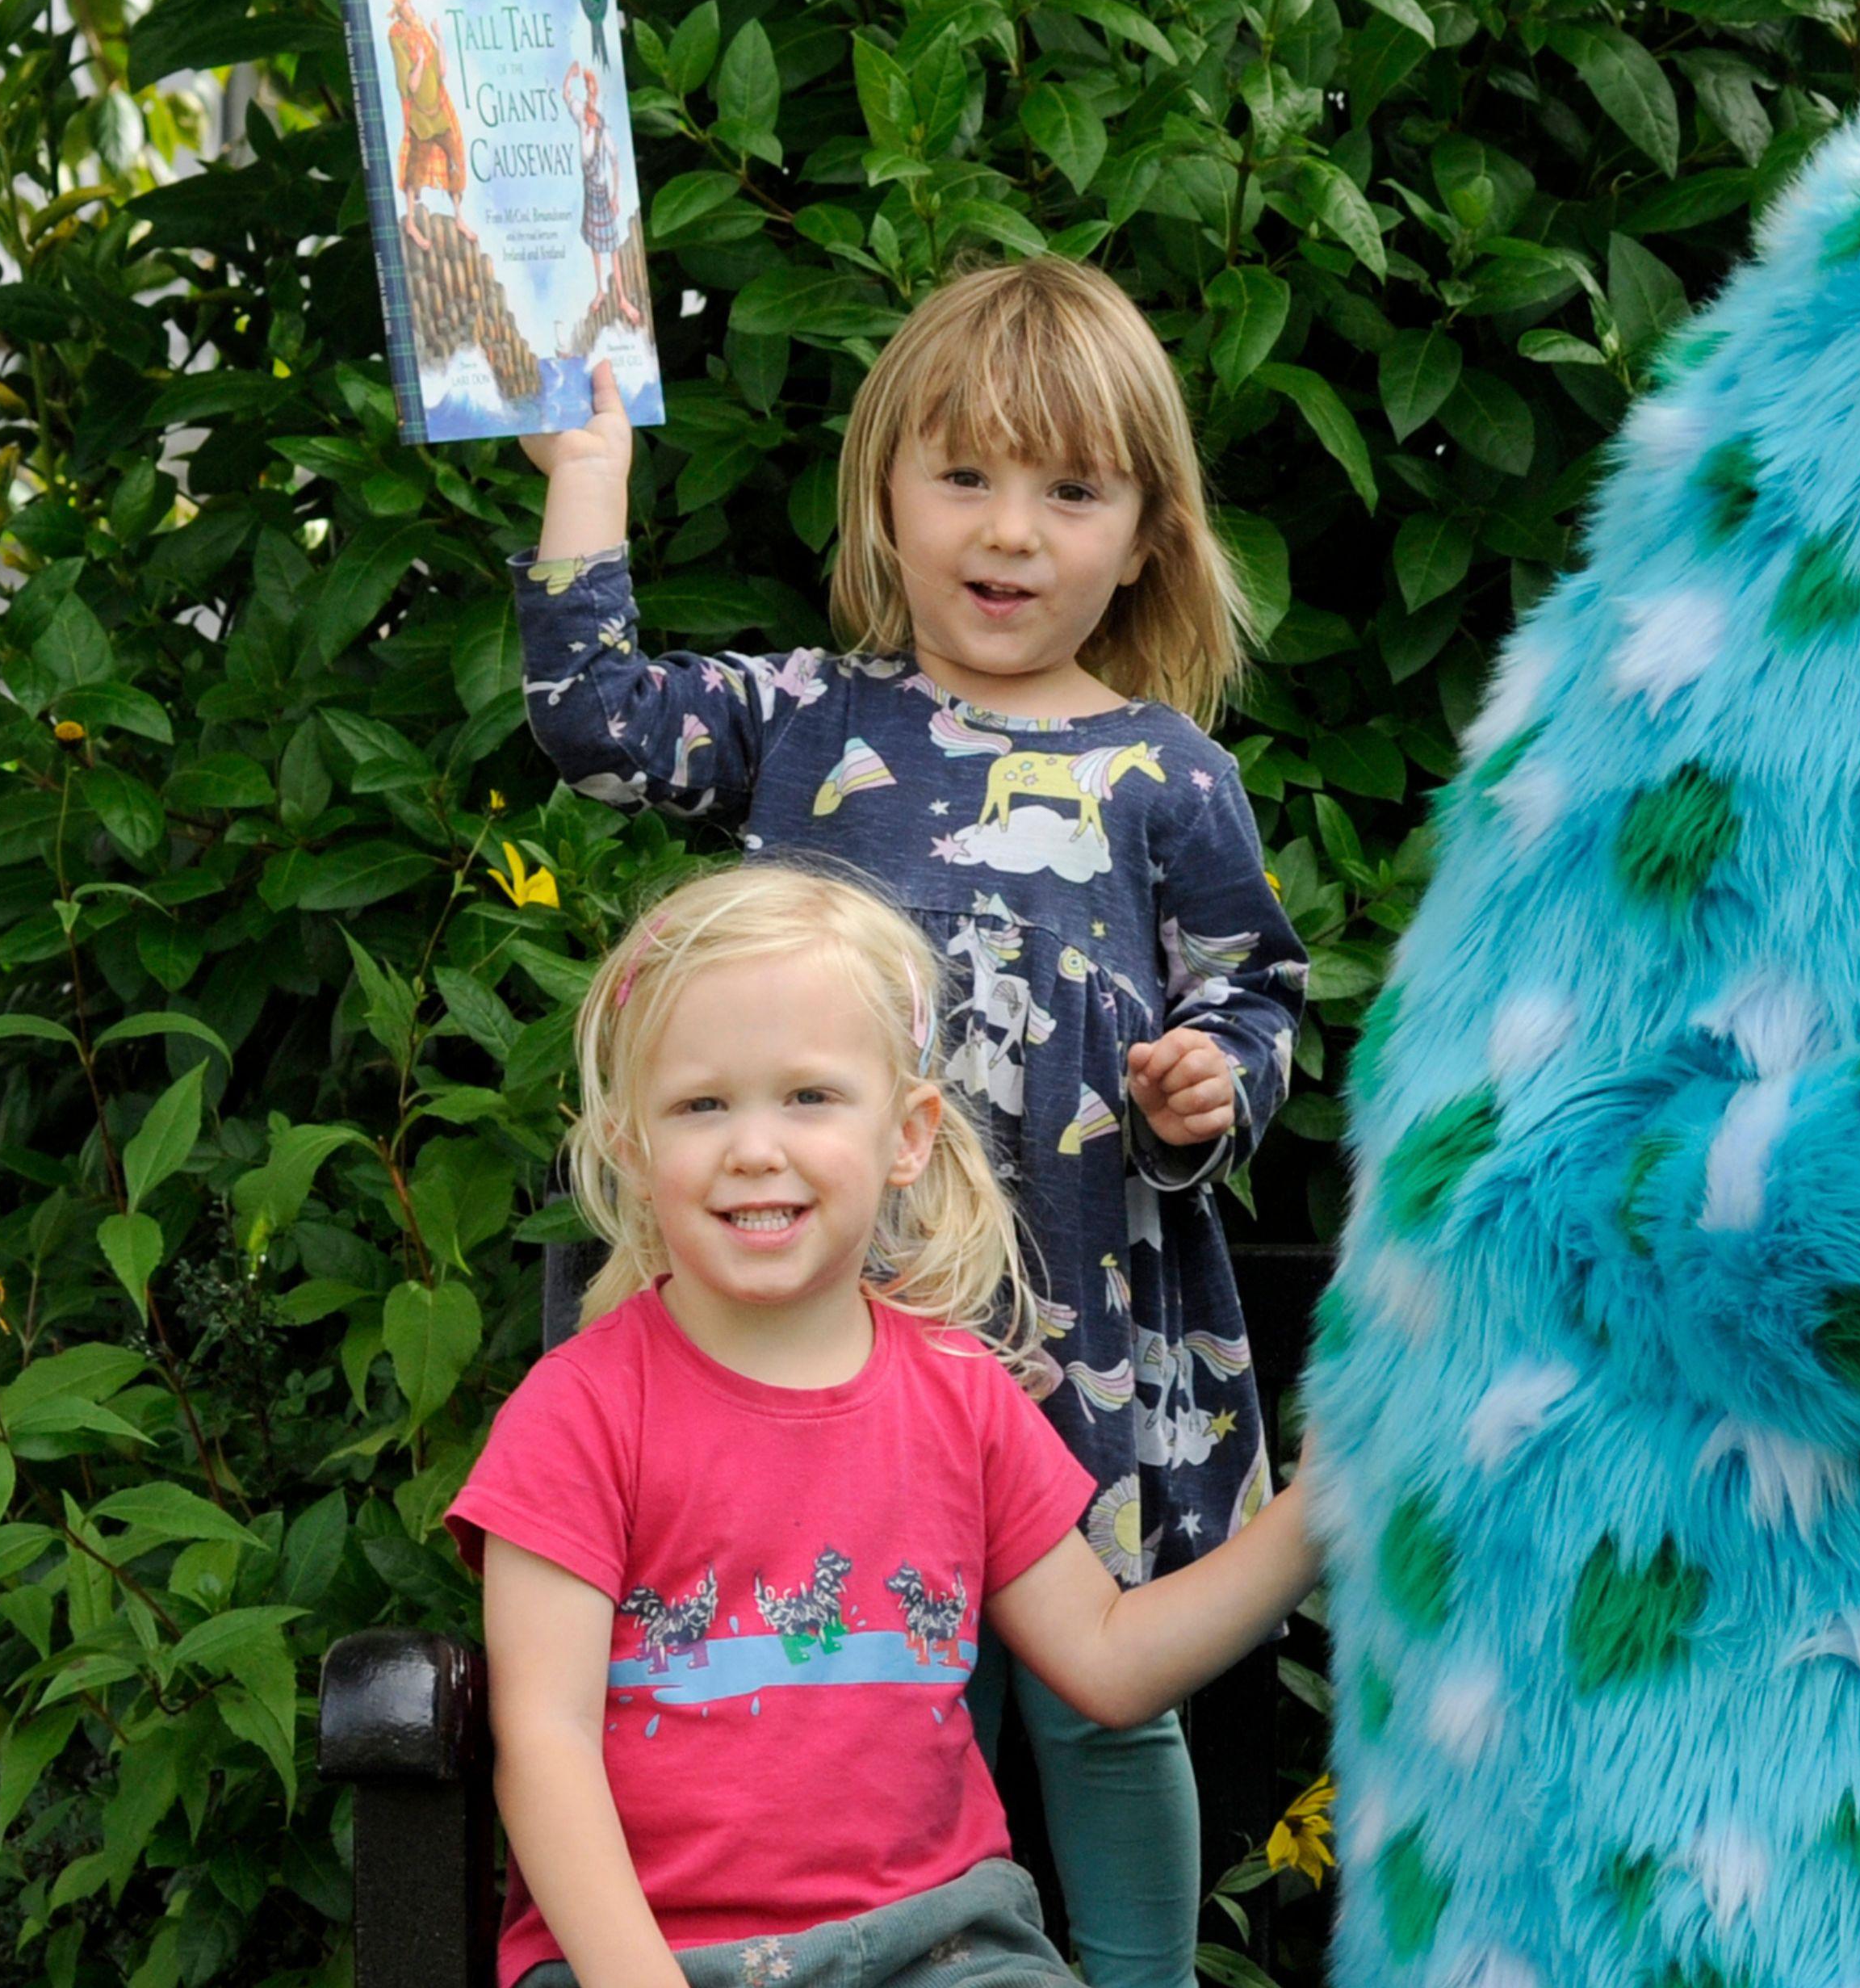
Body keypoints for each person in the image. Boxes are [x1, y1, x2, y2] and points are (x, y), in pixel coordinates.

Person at [513, 256, 1307, 1986]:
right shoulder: (815, 721)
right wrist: (586, 486)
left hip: (1084, 1334)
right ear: (885, 494)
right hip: (825, 1345)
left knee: (1106, 1717)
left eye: (1069, 491)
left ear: (1148, 533)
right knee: (861, 1678)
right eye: (964, 476)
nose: (1009, 532)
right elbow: (595, 730)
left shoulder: (1172, 774)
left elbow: (1261, 992)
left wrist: (1209, 1084)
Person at [451, 866, 1320, 1988]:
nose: (755, 1147)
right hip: (655, 1957)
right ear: (630, 1149)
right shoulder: (578, 1414)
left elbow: (1108, 1663)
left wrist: (1316, 1517)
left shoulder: (962, 1398)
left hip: (943, 1951)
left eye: (810, 1097)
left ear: (906, 1135)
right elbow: (546, 1745)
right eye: (702, 1104)